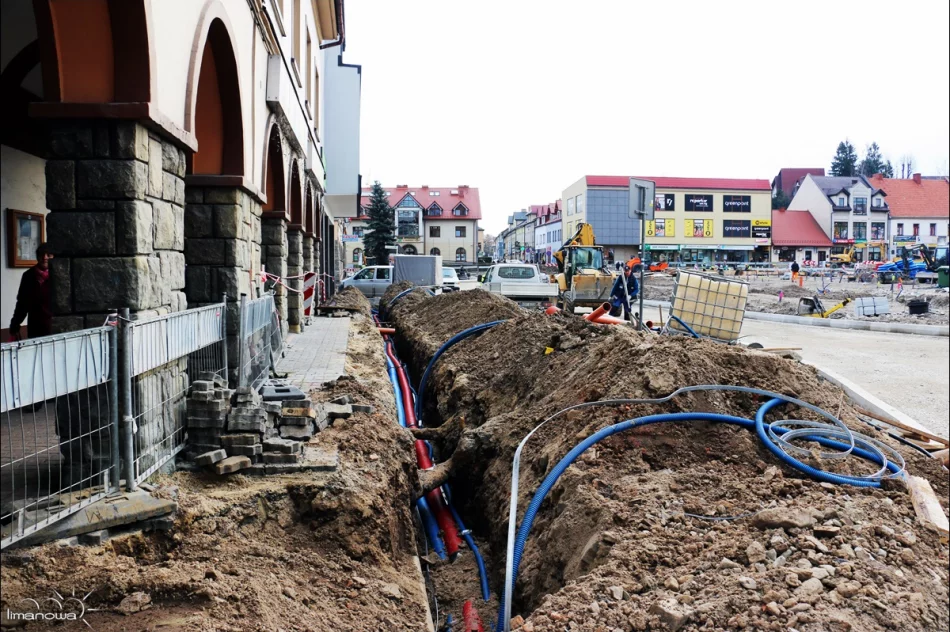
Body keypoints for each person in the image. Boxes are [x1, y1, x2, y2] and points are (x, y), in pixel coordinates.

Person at [9, 243, 54, 340]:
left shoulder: (58, 275)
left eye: (48, 255)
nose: (45, 257)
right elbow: (22, 304)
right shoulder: (28, 276)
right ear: (37, 257)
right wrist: (15, 324)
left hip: (55, 329)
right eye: (42, 254)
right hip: (36, 329)